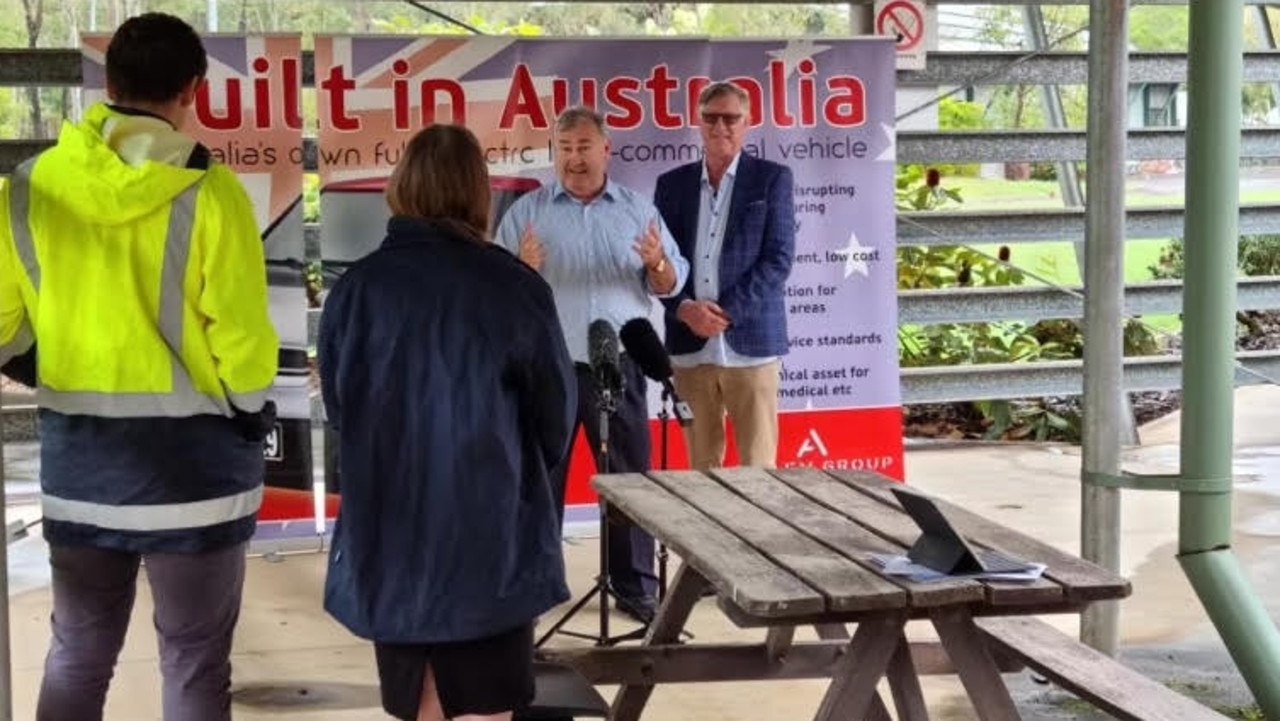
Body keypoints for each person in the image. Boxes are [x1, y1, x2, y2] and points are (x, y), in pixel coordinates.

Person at [0, 12, 279, 721]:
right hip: (196, 478)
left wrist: (48, 366)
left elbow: (2, 331)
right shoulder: (209, 192)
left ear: (109, 82)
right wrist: (251, 412)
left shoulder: (29, 187)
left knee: (78, 651)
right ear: (193, 89)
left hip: (81, 472)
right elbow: (243, 347)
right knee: (191, 658)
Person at [318, 124, 577, 721]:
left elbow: (340, 409)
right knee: (486, 709)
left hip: (393, 533)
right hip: (492, 538)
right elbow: (554, 421)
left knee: (420, 706)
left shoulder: (354, 292)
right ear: (478, 194)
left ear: (401, 187)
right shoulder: (515, 286)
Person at [495, 106, 689, 624]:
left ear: (606, 149)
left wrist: (657, 264)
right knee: (539, 484)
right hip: (548, 370)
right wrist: (521, 272)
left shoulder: (635, 210)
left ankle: (635, 588)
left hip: (620, 366)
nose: (574, 159)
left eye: (584, 147)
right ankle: (534, 590)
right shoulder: (525, 214)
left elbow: (671, 284)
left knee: (629, 483)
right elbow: (495, 295)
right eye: (565, 149)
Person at [654, 81, 797, 470]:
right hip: (689, 347)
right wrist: (683, 309)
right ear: (698, 122)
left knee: (759, 469)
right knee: (700, 470)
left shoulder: (772, 179)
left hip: (751, 347)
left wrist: (725, 313)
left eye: (731, 118)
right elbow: (658, 261)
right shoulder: (671, 185)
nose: (721, 127)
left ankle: (759, 534)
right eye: (711, 117)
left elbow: (779, 258)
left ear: (747, 122)